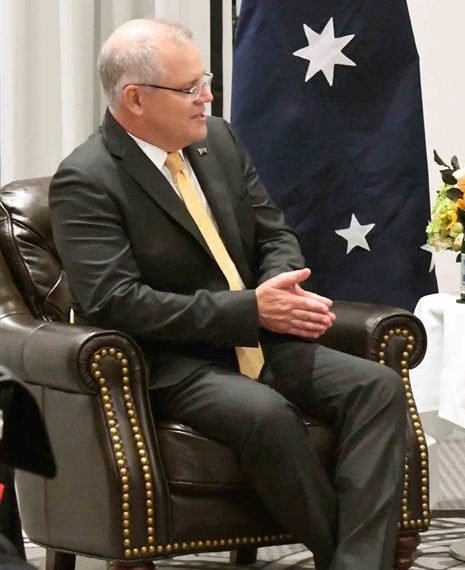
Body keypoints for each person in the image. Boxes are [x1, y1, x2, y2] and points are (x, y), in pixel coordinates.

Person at [49, 19, 405, 570]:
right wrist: (250, 309)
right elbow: (114, 301)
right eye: (190, 87)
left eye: (206, 80)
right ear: (135, 99)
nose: (207, 97)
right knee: (265, 415)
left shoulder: (218, 139)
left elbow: (274, 233)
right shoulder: (87, 179)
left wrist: (277, 285)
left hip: (262, 340)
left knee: (377, 387)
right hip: (174, 361)